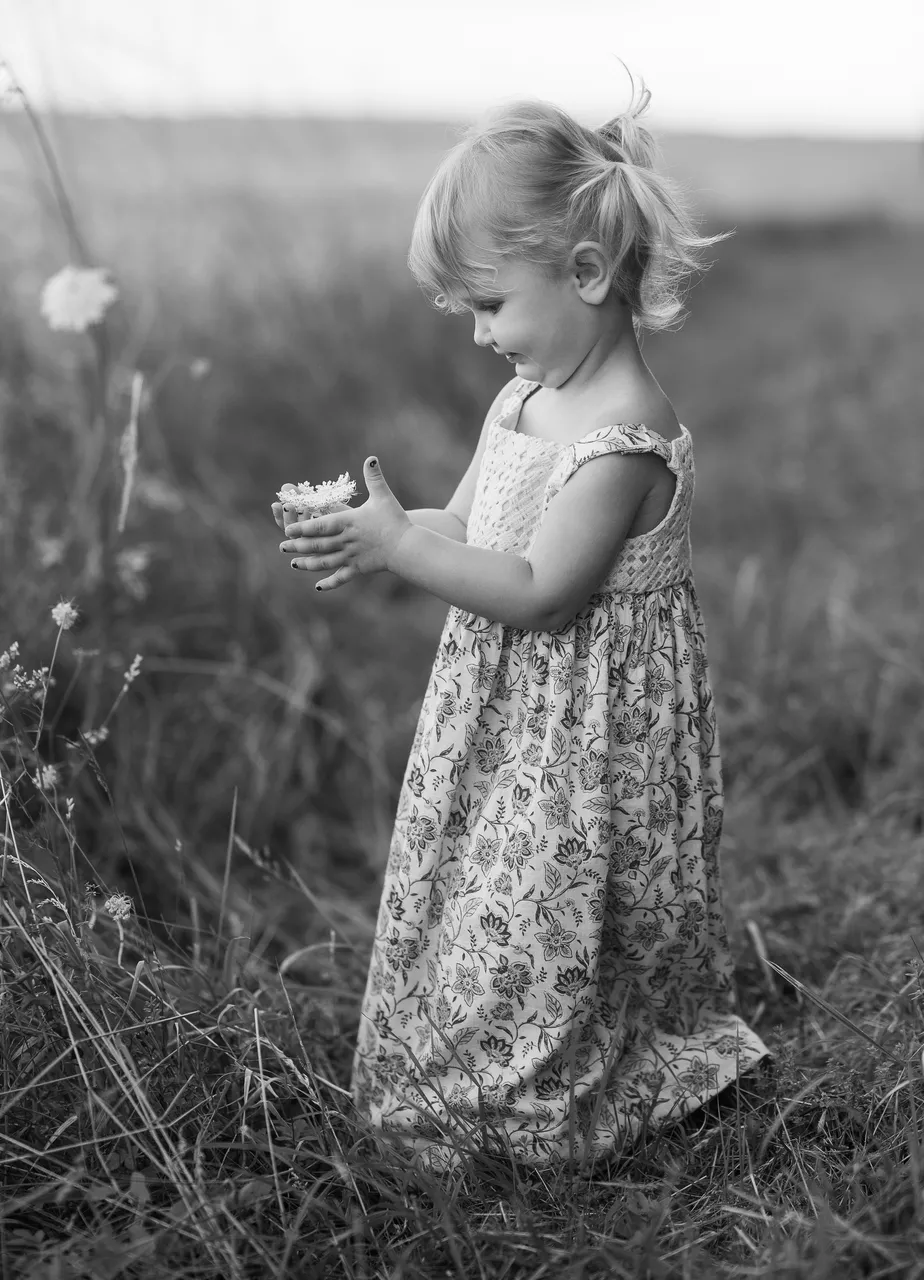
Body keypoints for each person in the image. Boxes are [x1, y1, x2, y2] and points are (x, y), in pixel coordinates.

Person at [273, 73, 768, 1171]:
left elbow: (544, 589)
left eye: (491, 304)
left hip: (583, 746)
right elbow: (477, 518)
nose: (482, 334)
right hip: (503, 727)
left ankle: (534, 1094)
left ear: (586, 271)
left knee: (552, 912)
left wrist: (410, 554)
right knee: (481, 892)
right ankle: (465, 1061)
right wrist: (386, 526)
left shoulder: (626, 440)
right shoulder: (527, 399)